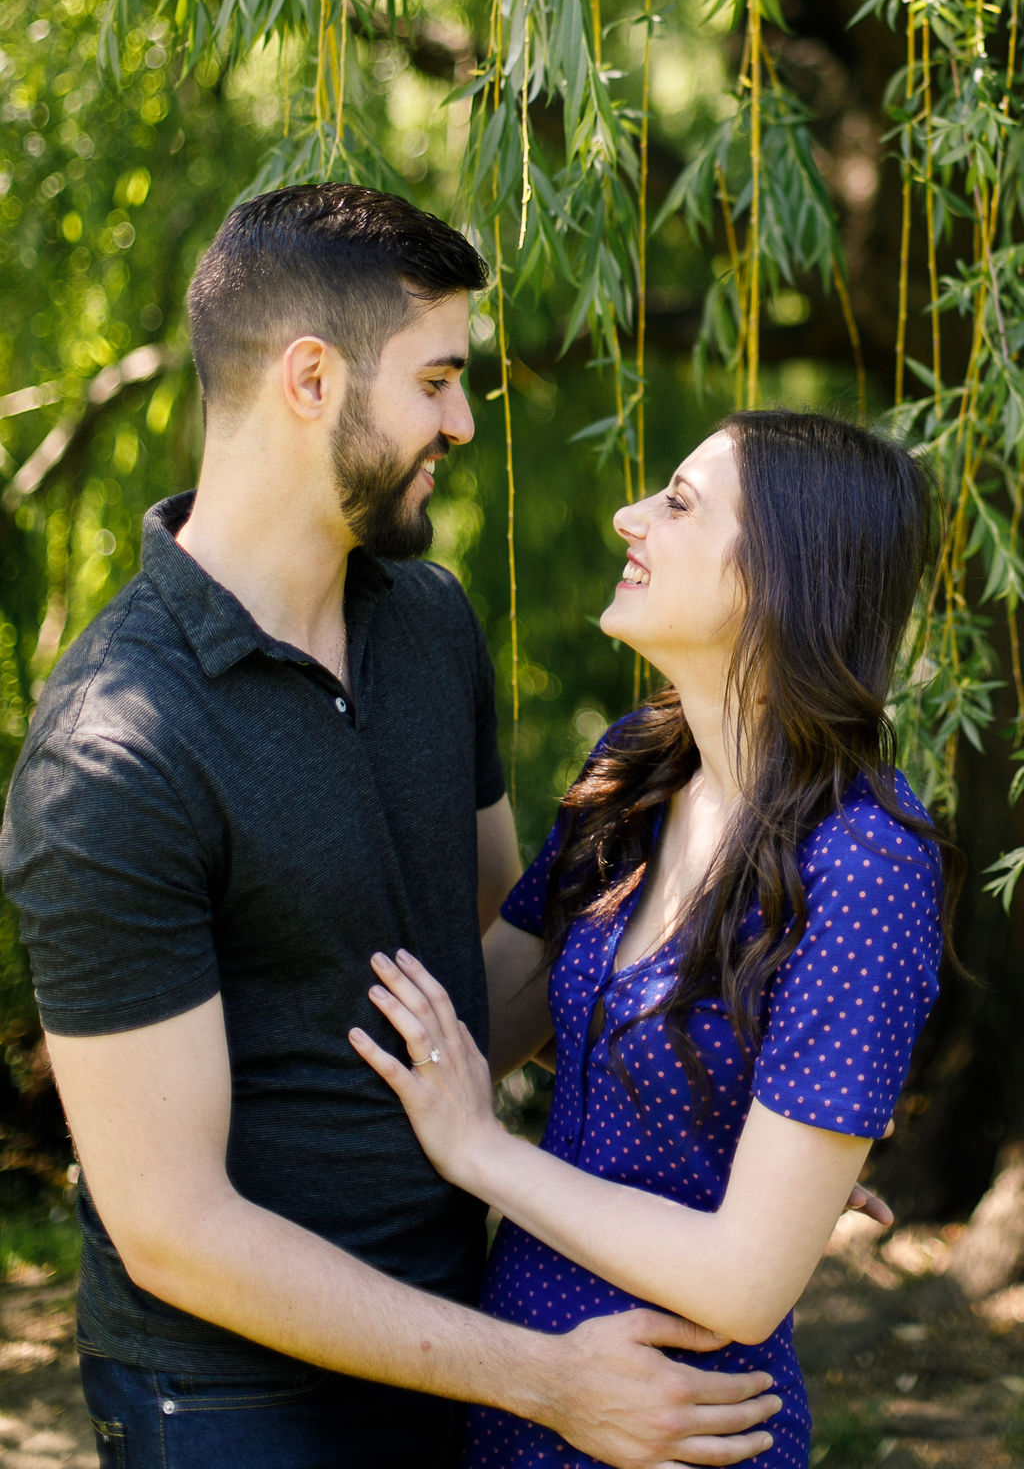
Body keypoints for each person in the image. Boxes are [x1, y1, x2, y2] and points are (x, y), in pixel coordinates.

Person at [0, 184, 781, 1469]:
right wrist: (544, 1382)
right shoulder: (116, 750)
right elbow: (171, 1226)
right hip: (235, 1408)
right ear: (312, 379)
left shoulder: (426, 624)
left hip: (454, 1340)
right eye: (436, 380)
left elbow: (499, 982)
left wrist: (737, 1152)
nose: (462, 422)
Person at [350, 410, 961, 1468]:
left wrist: (480, 1151)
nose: (630, 516)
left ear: (785, 575)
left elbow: (740, 1281)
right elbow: (494, 1022)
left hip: (675, 1431)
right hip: (518, 1401)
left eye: (678, 502)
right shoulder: (639, 767)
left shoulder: (864, 865)